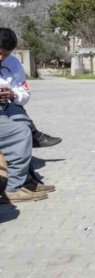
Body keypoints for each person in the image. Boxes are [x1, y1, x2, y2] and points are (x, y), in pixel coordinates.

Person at [0, 28, 53, 203]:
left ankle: (27, 180)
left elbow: (25, 93)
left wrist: (14, 95)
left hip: (10, 105)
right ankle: (12, 187)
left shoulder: (14, 63)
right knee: (20, 133)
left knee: (22, 122)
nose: (2, 58)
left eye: (5, 55)